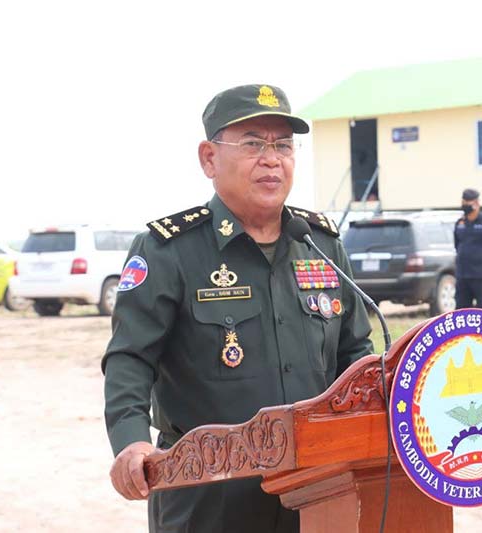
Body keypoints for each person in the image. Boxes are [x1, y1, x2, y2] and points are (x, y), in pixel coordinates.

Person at [102, 84, 374, 532]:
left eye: (283, 145)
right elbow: (130, 357)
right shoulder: (169, 251)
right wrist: (130, 441)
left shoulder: (319, 244)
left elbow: (356, 352)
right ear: (209, 159)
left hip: (318, 487)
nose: (272, 159)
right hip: (209, 494)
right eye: (253, 144)